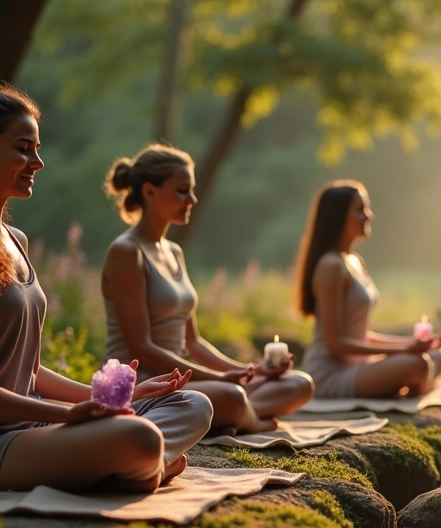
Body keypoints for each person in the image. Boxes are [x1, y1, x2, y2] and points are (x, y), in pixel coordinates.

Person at [0, 86, 212, 493]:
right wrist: (68, 417)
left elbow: (27, 370)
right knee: (140, 438)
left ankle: (130, 467)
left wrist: (106, 401)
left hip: (34, 430)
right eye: (22, 149)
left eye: (37, 148)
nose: (38, 162)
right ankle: (134, 463)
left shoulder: (15, 240)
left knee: (194, 405)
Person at [101, 144, 313, 436]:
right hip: (146, 385)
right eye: (182, 190)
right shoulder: (126, 251)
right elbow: (143, 349)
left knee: (299, 384)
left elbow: (194, 342)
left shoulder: (174, 252)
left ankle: (234, 414)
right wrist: (224, 380)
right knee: (231, 395)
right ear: (149, 192)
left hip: (185, 380)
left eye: (192, 190)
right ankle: (252, 419)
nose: (193, 199)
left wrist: (246, 371)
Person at [296, 180, 441, 398]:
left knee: (438, 356)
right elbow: (335, 344)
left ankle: (410, 385)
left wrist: (413, 344)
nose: (369, 216)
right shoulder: (330, 266)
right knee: (419, 365)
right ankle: (414, 386)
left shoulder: (355, 261)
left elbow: (360, 335)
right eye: (360, 210)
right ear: (337, 217)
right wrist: (404, 350)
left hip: (361, 366)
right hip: (331, 374)